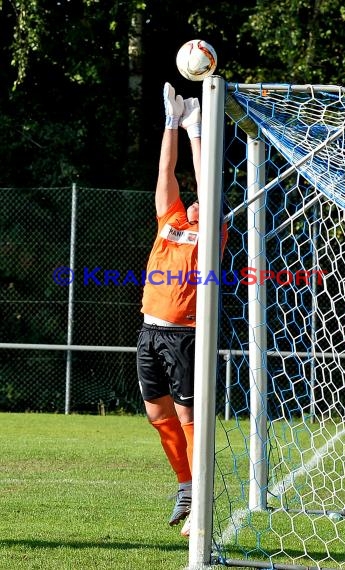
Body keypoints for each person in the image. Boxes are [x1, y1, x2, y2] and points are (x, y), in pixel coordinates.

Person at [136, 82, 226, 538]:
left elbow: (202, 178)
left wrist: (197, 130)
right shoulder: (170, 221)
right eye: (187, 198)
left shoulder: (211, 233)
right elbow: (165, 172)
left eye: (198, 198)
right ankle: (186, 485)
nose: (192, 199)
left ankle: (201, 501)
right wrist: (171, 121)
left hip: (186, 336)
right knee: (157, 414)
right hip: (150, 332)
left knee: (190, 419)